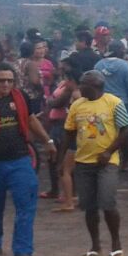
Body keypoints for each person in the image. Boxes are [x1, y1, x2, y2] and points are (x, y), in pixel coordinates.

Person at [0, 62, 55, 256]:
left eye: (10, 80)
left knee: (26, 206)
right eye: (2, 80)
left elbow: (30, 119)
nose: (6, 84)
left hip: (20, 160)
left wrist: (47, 141)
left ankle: (23, 251)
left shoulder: (20, 97)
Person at [64, 70, 128, 256]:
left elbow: (126, 128)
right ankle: (95, 246)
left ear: (94, 86)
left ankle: (116, 244)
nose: (79, 87)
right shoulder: (77, 105)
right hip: (83, 161)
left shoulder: (113, 103)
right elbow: (69, 132)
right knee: (89, 207)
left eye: (83, 84)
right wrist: (62, 157)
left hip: (106, 162)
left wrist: (110, 151)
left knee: (108, 202)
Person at [45, 58, 79, 210]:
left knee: (63, 166)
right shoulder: (74, 92)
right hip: (66, 128)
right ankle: (70, 197)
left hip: (67, 129)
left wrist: (51, 102)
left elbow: (58, 104)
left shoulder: (74, 94)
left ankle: (69, 200)